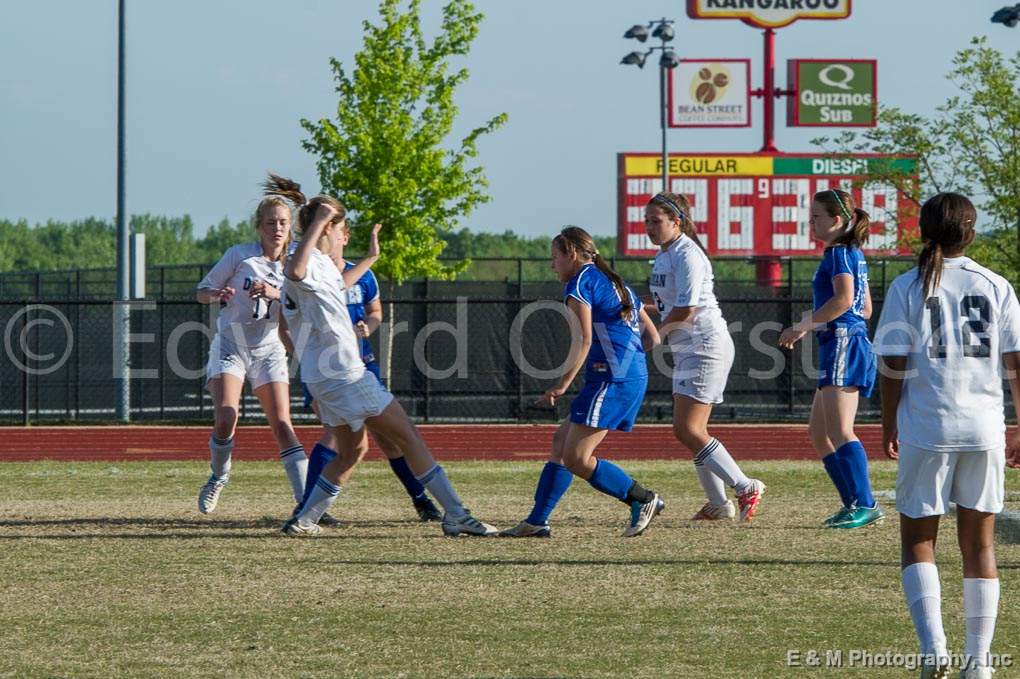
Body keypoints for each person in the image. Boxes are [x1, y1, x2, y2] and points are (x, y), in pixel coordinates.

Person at [267, 174, 495, 537]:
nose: (344, 235)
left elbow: (340, 284)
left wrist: (371, 258)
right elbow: (296, 269)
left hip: (324, 377)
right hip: (345, 374)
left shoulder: (322, 265)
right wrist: (322, 220)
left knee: (350, 451)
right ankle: (455, 514)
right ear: (326, 227)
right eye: (338, 227)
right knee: (409, 438)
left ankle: (305, 520)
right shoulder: (303, 260)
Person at [875, 192, 1020, 679]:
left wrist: (888, 420)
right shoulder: (996, 284)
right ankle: (978, 663)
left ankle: (933, 649)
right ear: (971, 231)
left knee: (919, 539)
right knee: (979, 547)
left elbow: (893, 364)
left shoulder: (906, 287)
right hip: (984, 428)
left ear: (923, 231)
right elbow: (1015, 365)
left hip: (927, 426)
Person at [501, 226, 664, 538]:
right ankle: (536, 521)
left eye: (555, 258)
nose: (553, 265)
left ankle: (642, 498)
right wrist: (626, 362)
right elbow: (652, 338)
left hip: (612, 378)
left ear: (572, 255)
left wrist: (561, 384)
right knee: (561, 444)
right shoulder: (618, 283)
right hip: (625, 375)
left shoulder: (581, 282)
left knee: (577, 457)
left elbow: (584, 339)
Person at [297, 218, 442, 523]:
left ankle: (422, 500)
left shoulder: (362, 276)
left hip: (362, 366)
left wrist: (368, 326)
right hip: (328, 371)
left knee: (388, 439)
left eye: (337, 232)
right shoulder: (311, 274)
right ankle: (308, 509)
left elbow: (375, 312)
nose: (332, 237)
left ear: (345, 238)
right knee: (336, 438)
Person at [645, 192, 766, 522]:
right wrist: (634, 304)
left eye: (656, 221)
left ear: (676, 221)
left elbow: (686, 309)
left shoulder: (687, 255)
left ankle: (744, 486)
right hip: (688, 349)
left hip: (705, 346)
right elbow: (670, 303)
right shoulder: (665, 254)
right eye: (647, 221)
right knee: (691, 429)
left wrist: (653, 337)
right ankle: (718, 504)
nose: (649, 227)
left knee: (687, 428)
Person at [194, 194, 307, 514]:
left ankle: (306, 503)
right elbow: (201, 292)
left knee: (283, 425)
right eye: (270, 222)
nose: (277, 228)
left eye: (283, 222)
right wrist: (215, 294)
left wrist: (276, 293)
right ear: (259, 227)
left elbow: (306, 301)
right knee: (227, 416)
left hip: (270, 348)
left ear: (292, 227)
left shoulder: (297, 262)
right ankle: (219, 475)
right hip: (231, 343)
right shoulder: (240, 255)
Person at [779, 188, 882, 529]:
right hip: (845, 339)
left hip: (842, 341)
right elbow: (864, 308)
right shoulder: (853, 252)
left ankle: (865, 504)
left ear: (837, 220)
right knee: (819, 432)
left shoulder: (837, 252)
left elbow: (844, 300)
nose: (811, 224)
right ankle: (852, 502)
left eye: (816, 218)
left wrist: (802, 326)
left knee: (839, 430)